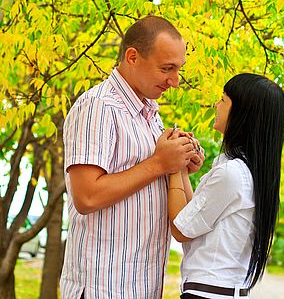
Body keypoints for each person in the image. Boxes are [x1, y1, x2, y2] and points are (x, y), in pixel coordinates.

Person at [60, 15, 205, 299]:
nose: (175, 81)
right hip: (105, 287)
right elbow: (87, 196)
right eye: (167, 68)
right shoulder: (98, 107)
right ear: (133, 57)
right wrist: (160, 163)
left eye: (179, 70)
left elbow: (147, 179)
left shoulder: (150, 113)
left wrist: (180, 164)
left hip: (142, 285)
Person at [168, 73, 284, 299]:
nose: (216, 104)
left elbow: (180, 230)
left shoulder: (231, 173)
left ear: (242, 113)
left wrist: (172, 166)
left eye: (223, 99)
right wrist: (182, 169)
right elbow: (193, 219)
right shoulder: (245, 171)